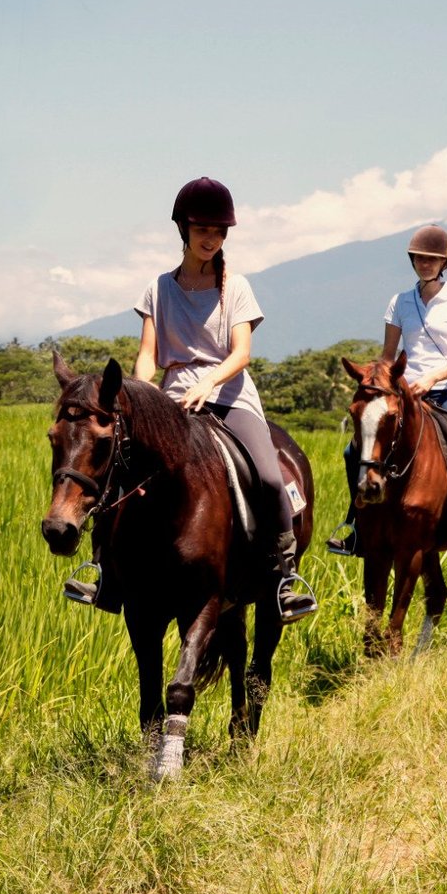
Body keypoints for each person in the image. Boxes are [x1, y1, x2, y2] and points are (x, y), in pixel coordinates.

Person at [132, 176, 318, 624]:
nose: (210, 239)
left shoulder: (236, 286)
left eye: (218, 231)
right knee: (124, 473)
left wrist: (208, 383)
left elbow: (241, 353)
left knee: (272, 479)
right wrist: (145, 394)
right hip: (174, 403)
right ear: (183, 230)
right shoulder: (159, 288)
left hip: (230, 397)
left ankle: (285, 572)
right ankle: (104, 571)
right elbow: (146, 356)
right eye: (202, 230)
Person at [326, 224, 447, 561]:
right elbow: (388, 354)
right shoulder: (399, 301)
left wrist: (432, 378)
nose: (425, 264)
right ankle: (356, 524)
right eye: (419, 258)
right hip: (404, 393)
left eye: (432, 259)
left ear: (444, 263)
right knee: (352, 451)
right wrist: (377, 381)